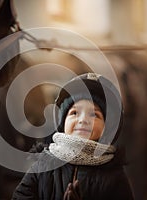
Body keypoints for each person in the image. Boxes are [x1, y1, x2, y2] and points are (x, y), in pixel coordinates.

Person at [12, 72, 134, 200]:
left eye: (94, 115)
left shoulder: (114, 175)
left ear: (107, 128)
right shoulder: (42, 166)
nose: (82, 120)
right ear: (63, 122)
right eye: (74, 112)